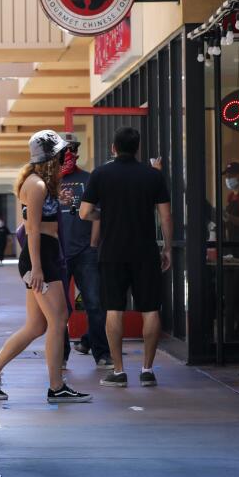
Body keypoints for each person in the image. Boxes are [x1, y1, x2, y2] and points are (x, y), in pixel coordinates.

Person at [0, 129, 92, 404]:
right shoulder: (36, 185)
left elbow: (30, 225)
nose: (67, 156)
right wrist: (36, 268)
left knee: (36, 326)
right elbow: (32, 230)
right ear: (52, 156)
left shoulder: (41, 184)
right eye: (62, 152)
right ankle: (56, 386)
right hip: (42, 258)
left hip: (46, 255)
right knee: (58, 321)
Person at [79, 127, 173, 387]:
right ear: (137, 148)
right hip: (145, 251)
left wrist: (104, 216)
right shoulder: (152, 176)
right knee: (150, 309)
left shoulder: (100, 174)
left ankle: (119, 371)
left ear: (113, 148)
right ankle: (147, 369)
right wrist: (166, 248)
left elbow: (85, 212)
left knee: (114, 309)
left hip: (112, 252)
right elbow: (165, 216)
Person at [59, 132, 110, 368]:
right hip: (57, 252)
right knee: (59, 308)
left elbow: (98, 213)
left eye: (72, 148)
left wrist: (93, 244)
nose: (68, 153)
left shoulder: (89, 179)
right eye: (64, 149)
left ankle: (101, 353)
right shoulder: (47, 181)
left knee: (94, 303)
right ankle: (61, 355)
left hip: (85, 252)